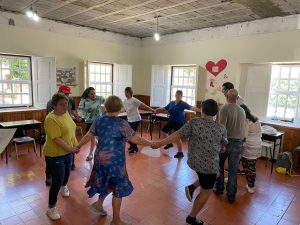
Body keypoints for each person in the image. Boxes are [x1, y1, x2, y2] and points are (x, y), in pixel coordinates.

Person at [76, 96, 153, 225]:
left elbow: (89, 134)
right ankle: (116, 221)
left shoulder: (99, 119)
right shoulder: (121, 124)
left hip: (100, 159)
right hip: (114, 161)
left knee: (108, 181)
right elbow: (136, 139)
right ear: (120, 108)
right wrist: (151, 143)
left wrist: (78, 146)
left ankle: (99, 204)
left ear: (105, 107)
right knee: (118, 187)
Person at [152, 99, 228, 225]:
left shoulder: (194, 122)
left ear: (202, 110)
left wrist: (159, 143)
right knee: (206, 190)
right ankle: (192, 217)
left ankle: (191, 187)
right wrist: (221, 146)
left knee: (216, 175)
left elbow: (177, 135)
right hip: (208, 165)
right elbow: (224, 146)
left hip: (194, 161)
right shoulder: (221, 128)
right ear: (216, 112)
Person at [43, 93, 80, 220]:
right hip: (55, 155)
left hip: (67, 152)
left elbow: (71, 131)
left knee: (66, 175)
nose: (65, 106)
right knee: (57, 181)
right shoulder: (50, 118)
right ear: (54, 105)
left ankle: (64, 186)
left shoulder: (66, 114)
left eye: (66, 104)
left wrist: (76, 145)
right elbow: (57, 139)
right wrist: (71, 149)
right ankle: (51, 208)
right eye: (61, 104)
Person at [214, 89, 246, 203]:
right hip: (239, 143)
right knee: (233, 170)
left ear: (227, 97)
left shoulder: (224, 108)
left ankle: (219, 188)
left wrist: (221, 144)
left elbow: (222, 128)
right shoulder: (242, 110)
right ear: (237, 98)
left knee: (220, 165)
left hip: (227, 142)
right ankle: (231, 195)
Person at [45, 85, 81, 186]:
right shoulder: (50, 103)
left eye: (68, 94)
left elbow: (72, 111)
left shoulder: (70, 100)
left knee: (70, 148)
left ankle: (70, 164)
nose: (67, 95)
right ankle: (49, 176)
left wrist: (76, 117)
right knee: (52, 158)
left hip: (67, 126)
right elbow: (51, 116)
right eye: (65, 93)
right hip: (57, 129)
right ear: (59, 92)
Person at [155, 90, 201, 158]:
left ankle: (180, 153)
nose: (177, 96)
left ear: (181, 96)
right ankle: (169, 143)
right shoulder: (171, 103)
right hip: (171, 121)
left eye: (179, 95)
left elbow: (191, 107)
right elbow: (164, 108)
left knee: (177, 138)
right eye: (176, 95)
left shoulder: (183, 104)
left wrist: (200, 110)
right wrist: (156, 110)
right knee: (163, 132)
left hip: (179, 123)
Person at [122, 87, 155, 154]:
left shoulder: (134, 100)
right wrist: (114, 112)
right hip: (129, 120)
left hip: (136, 119)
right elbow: (122, 109)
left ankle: (135, 149)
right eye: (125, 92)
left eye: (127, 92)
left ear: (130, 93)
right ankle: (132, 145)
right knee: (127, 134)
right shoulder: (125, 101)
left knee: (131, 135)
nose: (125, 93)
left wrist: (151, 110)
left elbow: (143, 105)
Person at [78, 87, 105, 161]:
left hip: (99, 121)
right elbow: (80, 110)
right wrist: (80, 116)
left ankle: (101, 152)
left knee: (99, 137)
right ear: (88, 94)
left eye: (94, 93)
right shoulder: (84, 100)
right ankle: (91, 154)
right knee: (92, 138)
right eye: (92, 94)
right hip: (89, 121)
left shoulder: (99, 99)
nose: (94, 95)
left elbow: (108, 102)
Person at [240, 104, 262, 194]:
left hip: (249, 145)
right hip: (257, 143)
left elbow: (244, 136)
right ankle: (250, 185)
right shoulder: (256, 119)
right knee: (251, 165)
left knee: (248, 166)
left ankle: (251, 186)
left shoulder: (246, 121)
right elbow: (260, 133)